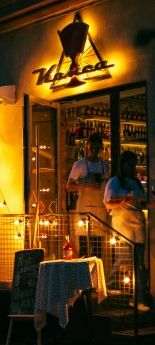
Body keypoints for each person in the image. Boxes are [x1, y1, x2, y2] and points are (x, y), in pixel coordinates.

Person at [104, 150, 155, 312]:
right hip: (122, 226)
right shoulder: (114, 182)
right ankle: (110, 287)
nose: (132, 168)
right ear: (123, 164)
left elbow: (143, 205)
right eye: (130, 165)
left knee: (140, 265)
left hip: (138, 225)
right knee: (124, 261)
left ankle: (139, 299)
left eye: (134, 165)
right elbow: (107, 203)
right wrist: (125, 200)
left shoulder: (137, 183)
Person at [66, 133, 110, 257]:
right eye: (92, 148)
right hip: (84, 209)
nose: (94, 151)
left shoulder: (105, 165)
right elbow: (69, 187)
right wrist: (85, 184)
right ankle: (83, 275)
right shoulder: (79, 164)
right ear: (87, 147)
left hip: (100, 209)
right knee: (84, 247)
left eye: (97, 148)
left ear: (101, 148)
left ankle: (96, 275)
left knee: (97, 249)